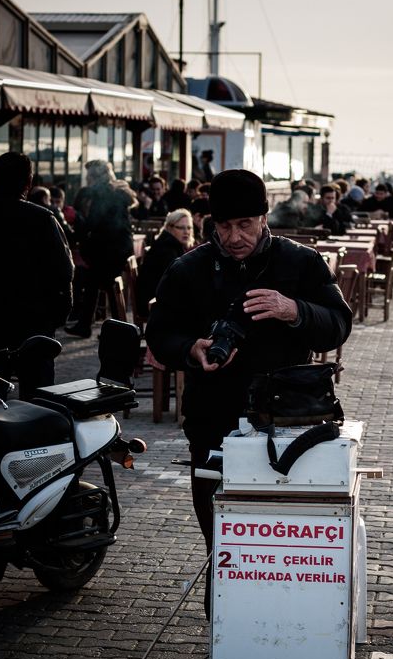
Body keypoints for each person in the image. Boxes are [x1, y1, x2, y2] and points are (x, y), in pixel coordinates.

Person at [145, 169, 352, 616]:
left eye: (245, 225)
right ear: (211, 224)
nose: (234, 236)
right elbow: (159, 333)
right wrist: (189, 348)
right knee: (222, 541)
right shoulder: (188, 268)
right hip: (213, 423)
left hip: (289, 427)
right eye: (223, 226)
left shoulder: (300, 262)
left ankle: (288, 633)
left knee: (280, 544)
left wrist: (293, 309)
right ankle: (223, 646)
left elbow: (339, 324)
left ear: (264, 218)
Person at [0, 151, 73, 398]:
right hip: (34, 326)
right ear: (28, 183)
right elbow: (64, 272)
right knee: (38, 400)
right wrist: (56, 317)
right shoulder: (42, 219)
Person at [66, 159, 135, 338]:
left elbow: (94, 222)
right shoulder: (117, 189)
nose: (86, 178)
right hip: (119, 248)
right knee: (95, 283)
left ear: (94, 176)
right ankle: (91, 325)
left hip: (109, 250)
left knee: (100, 284)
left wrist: (77, 219)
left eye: (88, 175)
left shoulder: (100, 192)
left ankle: (114, 330)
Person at [135, 209, 194, 321]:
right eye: (181, 227)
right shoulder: (166, 250)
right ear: (170, 228)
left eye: (189, 227)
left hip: (158, 300)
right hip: (151, 304)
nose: (186, 231)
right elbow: (175, 284)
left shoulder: (171, 243)